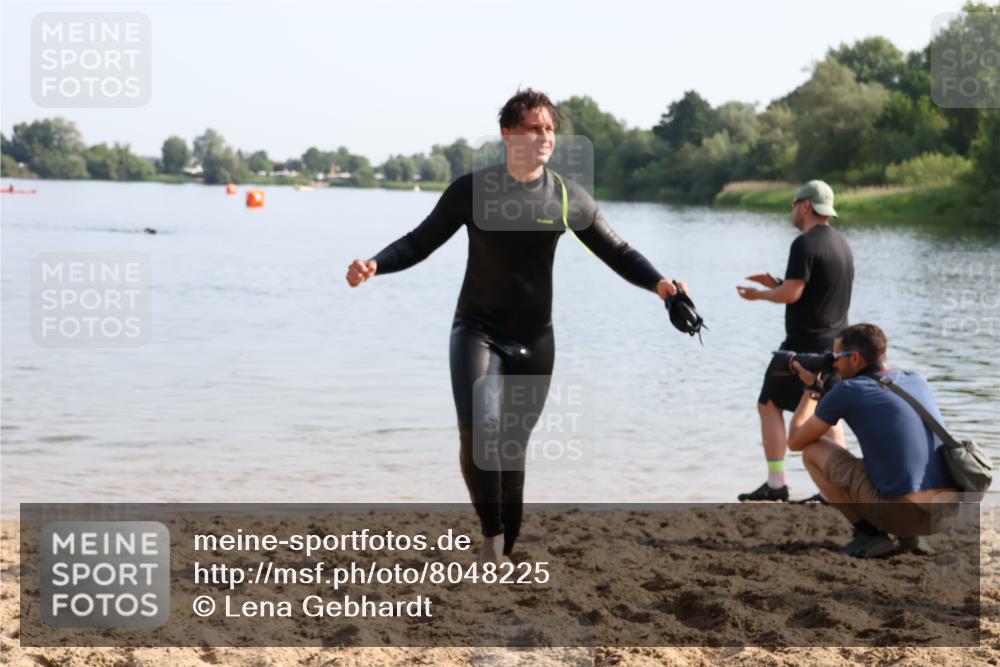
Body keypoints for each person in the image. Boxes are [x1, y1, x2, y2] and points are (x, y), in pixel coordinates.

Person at [346, 89, 688, 565]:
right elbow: (418, 241)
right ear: (508, 134)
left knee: (511, 449)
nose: (544, 135)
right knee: (479, 430)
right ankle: (490, 537)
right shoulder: (472, 190)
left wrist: (662, 286)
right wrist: (375, 264)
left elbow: (619, 251)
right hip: (477, 329)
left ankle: (504, 547)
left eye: (549, 129)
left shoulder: (566, 196)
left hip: (534, 340)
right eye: (533, 127)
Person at [786, 323, 958, 557]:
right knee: (894, 460)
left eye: (836, 356)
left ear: (855, 358)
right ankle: (910, 537)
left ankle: (869, 535)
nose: (833, 363)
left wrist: (810, 389)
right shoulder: (915, 380)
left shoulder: (847, 390)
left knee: (812, 451)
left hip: (899, 514)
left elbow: (796, 441)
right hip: (943, 516)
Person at [735, 180, 854, 502]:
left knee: (769, 404)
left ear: (804, 205)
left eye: (793, 203)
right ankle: (837, 486)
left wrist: (760, 294)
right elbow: (812, 293)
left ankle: (776, 484)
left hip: (803, 345)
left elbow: (793, 293)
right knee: (828, 412)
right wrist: (776, 282)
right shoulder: (842, 244)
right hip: (836, 345)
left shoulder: (804, 244)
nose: (792, 209)